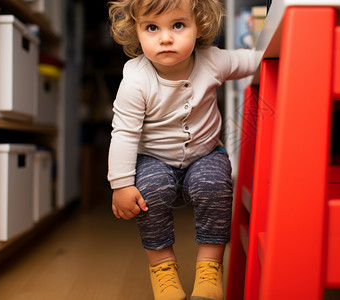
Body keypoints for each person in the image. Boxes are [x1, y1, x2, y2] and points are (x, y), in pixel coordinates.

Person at [107, 0, 257, 299]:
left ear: (198, 25)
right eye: (152, 27)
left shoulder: (213, 60)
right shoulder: (136, 78)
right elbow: (124, 132)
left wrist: (289, 48)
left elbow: (256, 60)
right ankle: (162, 268)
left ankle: (209, 268)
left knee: (214, 186)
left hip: (206, 154)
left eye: (178, 25)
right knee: (150, 191)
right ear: (136, 32)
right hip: (153, 158)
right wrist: (121, 184)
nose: (165, 38)